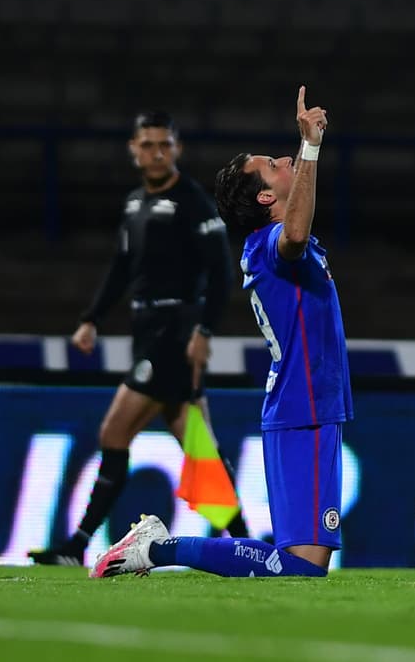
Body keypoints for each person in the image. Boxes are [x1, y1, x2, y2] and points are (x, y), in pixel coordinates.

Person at [89, 85, 350, 580]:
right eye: (275, 163)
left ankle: (158, 548)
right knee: (303, 570)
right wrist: (310, 147)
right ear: (268, 196)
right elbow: (294, 233)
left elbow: (299, 232)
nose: (285, 160)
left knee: (299, 569)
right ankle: (159, 549)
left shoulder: (265, 245)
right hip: (306, 411)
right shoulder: (275, 242)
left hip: (305, 409)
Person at [30, 110, 249, 567]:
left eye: (164, 145)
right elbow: (122, 269)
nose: (156, 153)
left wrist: (204, 331)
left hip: (173, 336)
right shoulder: (135, 204)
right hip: (146, 332)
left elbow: (222, 271)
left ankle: (77, 545)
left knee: (114, 430)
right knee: (199, 450)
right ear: (134, 149)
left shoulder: (191, 202)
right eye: (147, 145)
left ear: (177, 149)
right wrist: (92, 318)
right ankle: (250, 545)